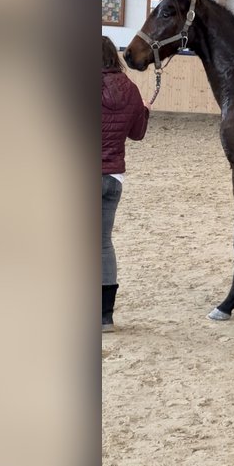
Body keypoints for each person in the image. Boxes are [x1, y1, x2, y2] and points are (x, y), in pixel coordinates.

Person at [101, 35, 149, 332]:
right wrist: (143, 113)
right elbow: (138, 133)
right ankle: (104, 316)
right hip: (113, 177)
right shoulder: (130, 89)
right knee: (103, 244)